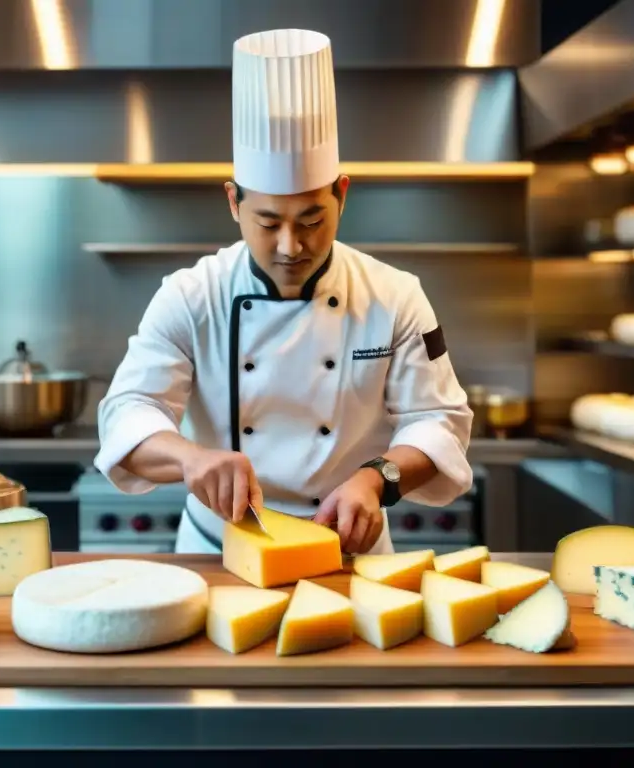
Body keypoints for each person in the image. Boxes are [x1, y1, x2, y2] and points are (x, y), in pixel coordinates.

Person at [96, 28, 473, 555]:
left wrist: (375, 478)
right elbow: (129, 410)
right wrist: (191, 458)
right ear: (233, 202)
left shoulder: (396, 296)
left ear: (342, 194)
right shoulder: (190, 295)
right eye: (268, 222)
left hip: (349, 552)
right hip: (220, 551)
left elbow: (439, 422)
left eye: (312, 219)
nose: (291, 245)